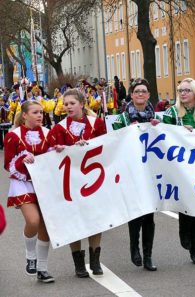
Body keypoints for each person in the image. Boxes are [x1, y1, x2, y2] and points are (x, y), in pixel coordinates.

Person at [48, 89, 106, 278]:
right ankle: (79, 264)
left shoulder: (96, 123)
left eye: (72, 103)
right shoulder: (59, 128)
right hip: (70, 180)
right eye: (66, 104)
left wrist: (88, 146)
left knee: (95, 220)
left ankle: (95, 261)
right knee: (74, 220)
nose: (68, 107)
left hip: (93, 178)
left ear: (82, 104)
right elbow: (51, 155)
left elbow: (106, 146)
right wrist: (63, 149)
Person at [163, 78, 195, 265]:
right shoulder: (171, 112)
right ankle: (183, 231)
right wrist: (179, 131)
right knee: (184, 203)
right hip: (179, 167)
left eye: (187, 90)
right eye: (180, 90)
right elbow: (164, 134)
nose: (183, 93)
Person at [3, 100, 54, 283]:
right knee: (33, 221)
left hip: (45, 183)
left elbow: (56, 157)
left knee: (45, 227)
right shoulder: (13, 135)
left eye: (41, 112)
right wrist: (23, 160)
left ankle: (42, 268)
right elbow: (8, 164)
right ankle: (30, 255)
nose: (40, 115)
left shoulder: (49, 133)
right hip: (23, 183)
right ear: (24, 115)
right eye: (35, 112)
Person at [124, 78, 159, 271]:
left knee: (149, 216)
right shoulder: (122, 117)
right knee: (136, 213)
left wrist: (158, 126)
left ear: (148, 95)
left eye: (143, 91)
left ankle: (148, 255)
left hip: (150, 171)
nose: (140, 94)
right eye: (137, 91)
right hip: (131, 170)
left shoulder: (154, 117)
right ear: (131, 95)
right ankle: (133, 247)